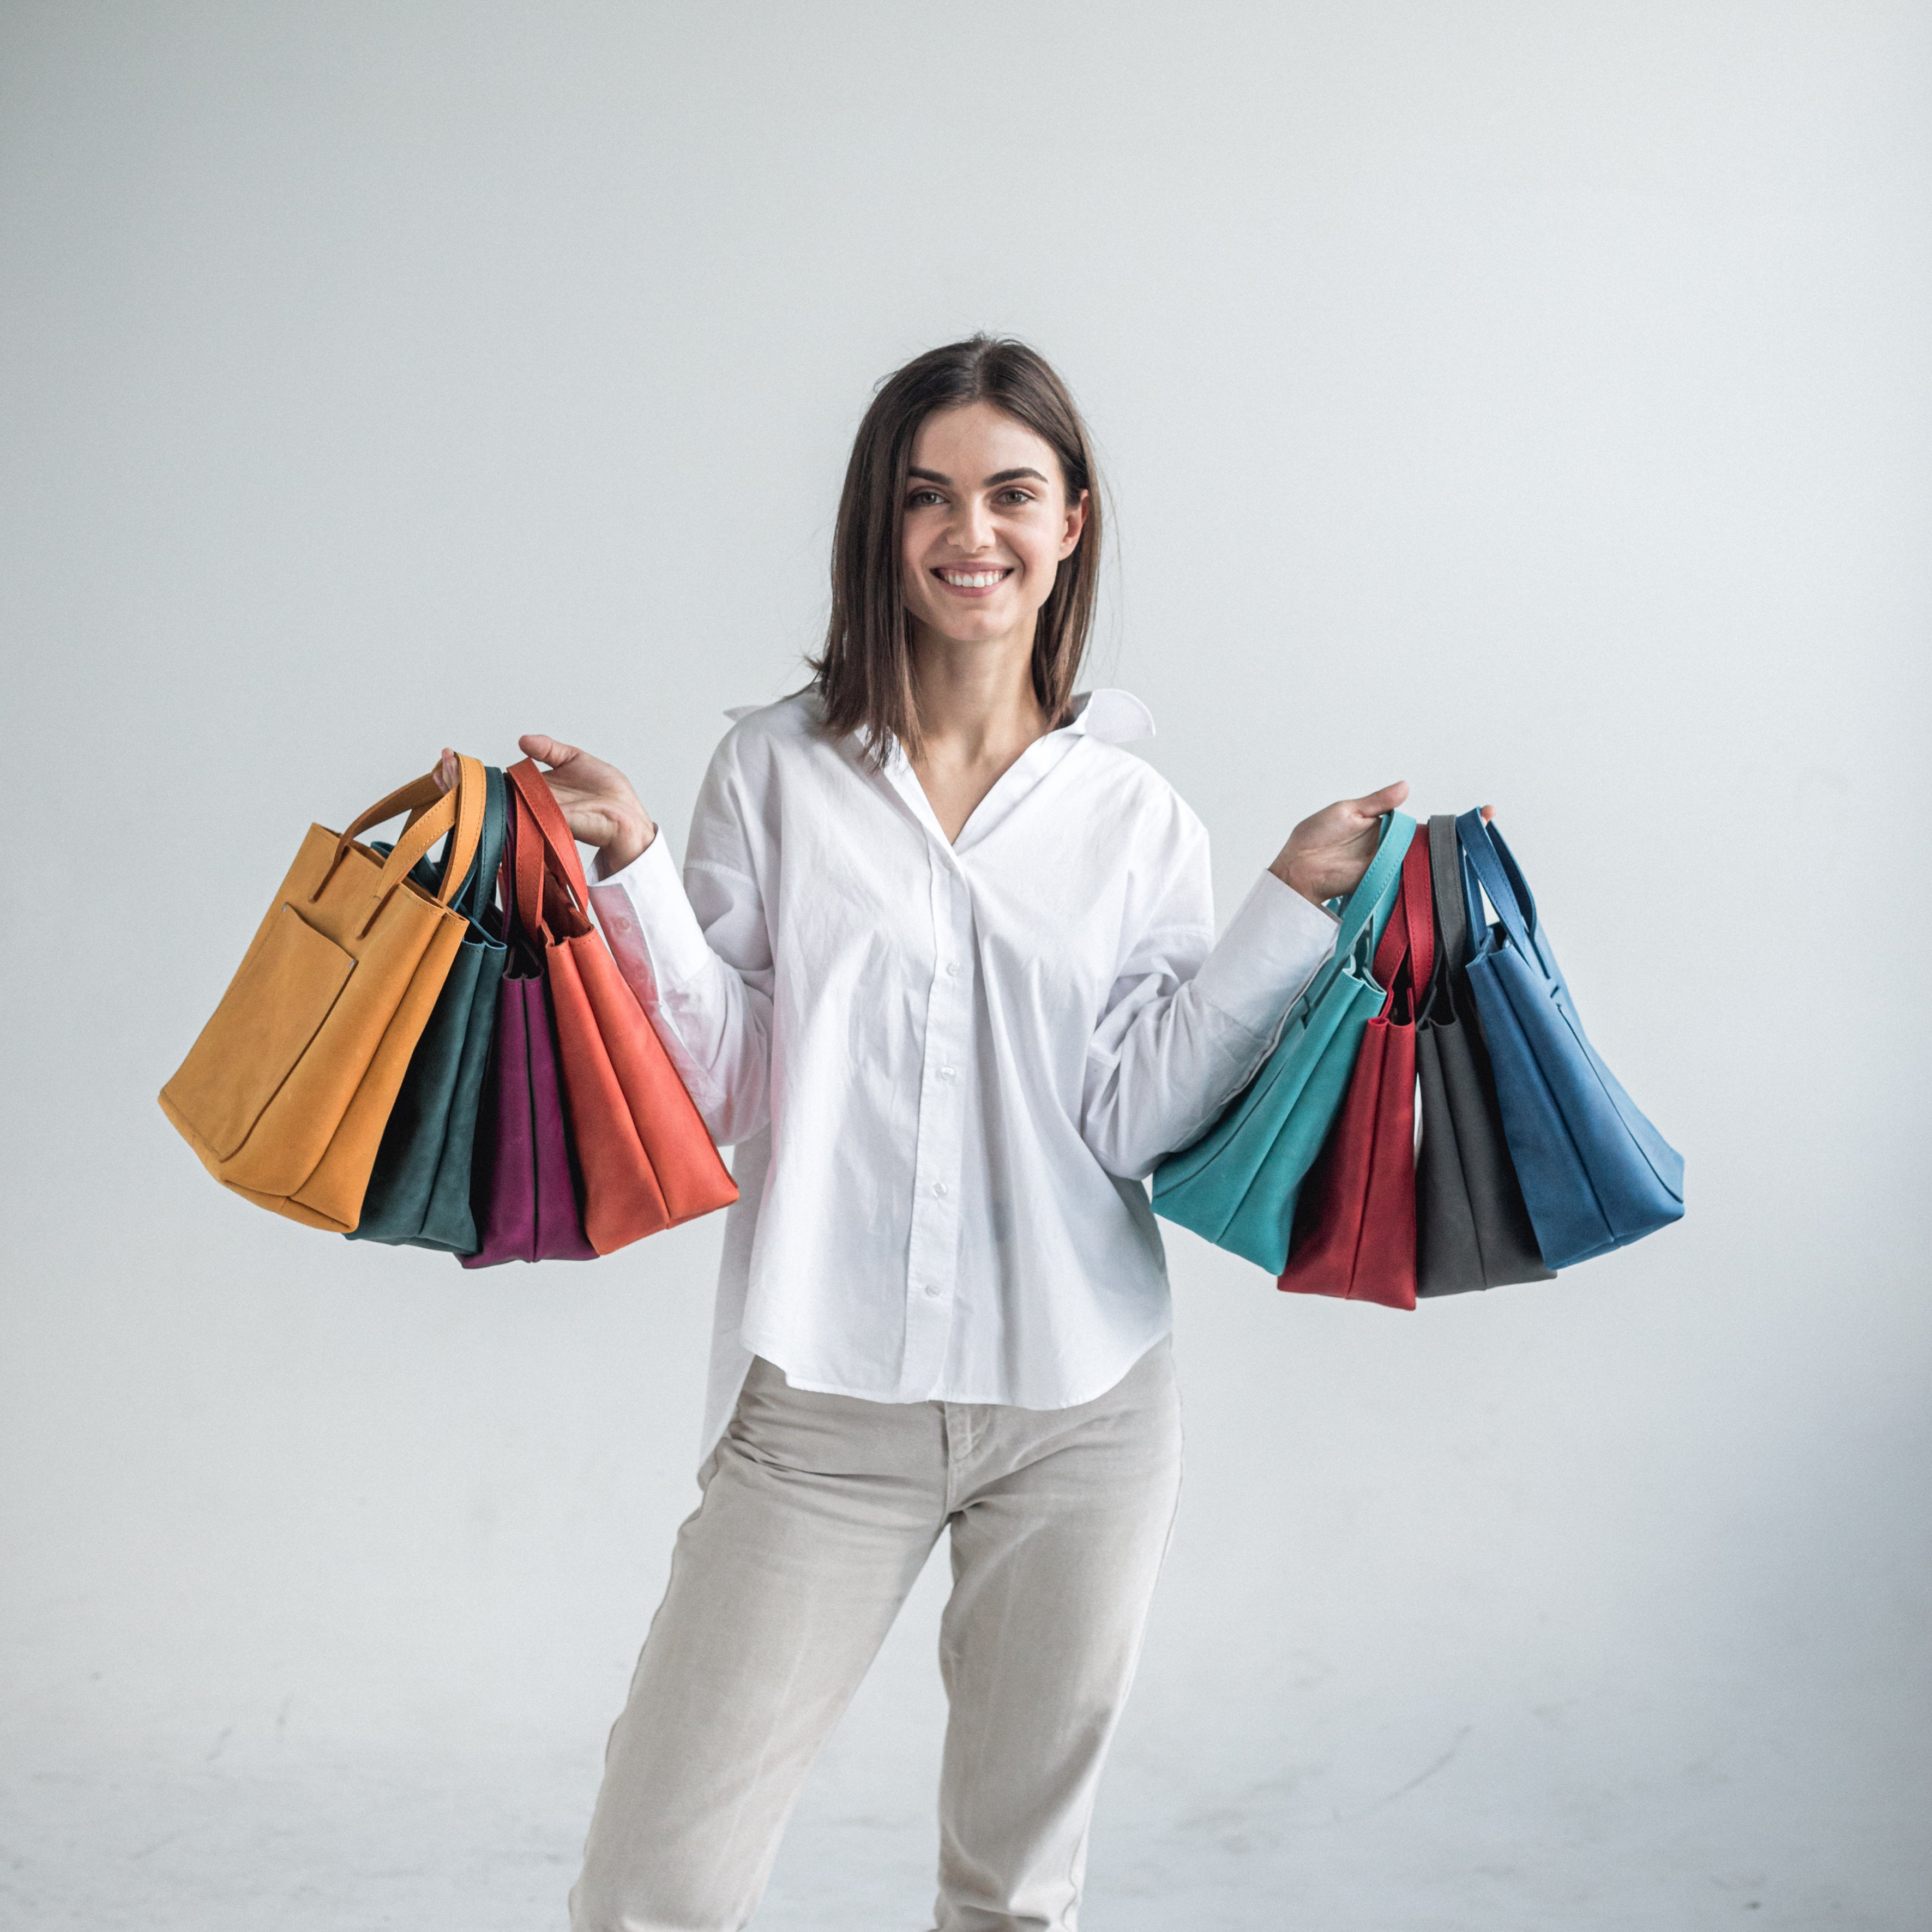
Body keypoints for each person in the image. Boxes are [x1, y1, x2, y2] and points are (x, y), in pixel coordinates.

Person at [455, 335, 1407, 1931]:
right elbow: (729, 1079)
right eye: (930, 497)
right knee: (652, 1885)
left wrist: (1290, 905)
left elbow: (1135, 1109)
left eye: (1012, 493)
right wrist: (627, 872)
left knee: (1012, 1896)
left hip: (1084, 1411)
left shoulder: (1132, 819)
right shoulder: (775, 770)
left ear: (1074, 522)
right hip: (823, 1408)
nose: (975, 533)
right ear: (881, 530)